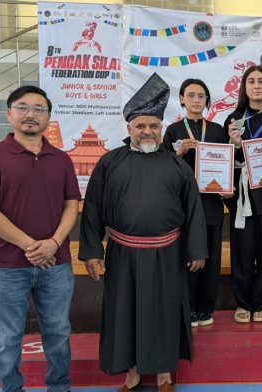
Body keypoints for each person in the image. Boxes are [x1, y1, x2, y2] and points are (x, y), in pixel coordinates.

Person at [79, 73, 208, 392]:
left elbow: (193, 209)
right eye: (141, 126)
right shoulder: (109, 163)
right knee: (127, 314)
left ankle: (164, 373)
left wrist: (196, 249)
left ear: (161, 128)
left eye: (153, 126)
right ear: (129, 128)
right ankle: (133, 373)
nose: (147, 131)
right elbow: (93, 207)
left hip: (168, 255)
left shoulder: (177, 166)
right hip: (123, 255)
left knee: (164, 312)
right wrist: (93, 250)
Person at [0, 85, 80, 392]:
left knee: (58, 332)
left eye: (39, 109)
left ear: (48, 117)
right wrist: (31, 246)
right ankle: (11, 389)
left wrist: (54, 244)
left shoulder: (60, 159)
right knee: (9, 337)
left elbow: (71, 204)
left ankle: (59, 387)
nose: (30, 114)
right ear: (9, 113)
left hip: (56, 265)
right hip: (6, 267)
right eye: (22, 107)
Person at [163, 78, 231, 327]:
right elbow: (161, 169)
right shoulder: (173, 132)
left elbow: (227, 164)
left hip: (211, 203)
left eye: (200, 96)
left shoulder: (216, 130)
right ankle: (187, 307)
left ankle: (205, 308)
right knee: (187, 257)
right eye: (190, 95)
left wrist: (227, 187)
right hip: (182, 205)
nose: (195, 100)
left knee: (211, 258)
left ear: (206, 101)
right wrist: (177, 154)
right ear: (181, 99)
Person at [223, 65, 262, 323]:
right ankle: (242, 302)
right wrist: (234, 145)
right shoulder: (234, 118)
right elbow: (225, 159)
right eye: (251, 81)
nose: (257, 86)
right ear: (245, 87)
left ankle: (260, 301)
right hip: (241, 193)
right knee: (242, 251)